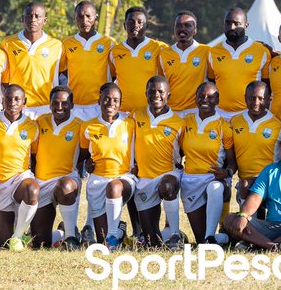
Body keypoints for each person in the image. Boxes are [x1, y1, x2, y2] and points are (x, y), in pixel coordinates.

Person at [0, 84, 41, 250]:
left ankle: (18, 236)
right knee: (4, 244)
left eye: (17, 99)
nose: (12, 102)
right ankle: (15, 234)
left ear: (24, 102)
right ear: (2, 101)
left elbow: (35, 155)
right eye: (8, 99)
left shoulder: (32, 126)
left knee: (32, 190)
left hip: (20, 178)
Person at [131, 76, 186, 248]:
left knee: (168, 186)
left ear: (168, 94)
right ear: (145, 93)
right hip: (144, 179)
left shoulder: (178, 122)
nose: (156, 95)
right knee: (151, 243)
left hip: (167, 174)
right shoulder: (135, 115)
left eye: (161, 91)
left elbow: (186, 150)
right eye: (152, 91)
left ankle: (175, 235)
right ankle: (165, 235)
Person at [180, 81, 236, 246]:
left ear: (217, 101)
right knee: (200, 239)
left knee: (215, 188)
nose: (206, 100)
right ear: (195, 99)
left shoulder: (223, 126)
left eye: (211, 97)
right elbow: (179, 151)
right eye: (202, 96)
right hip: (190, 180)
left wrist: (227, 173)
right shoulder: (186, 121)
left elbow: (232, 163)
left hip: (213, 179)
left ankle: (211, 235)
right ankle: (224, 238)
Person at [81, 82, 136, 248]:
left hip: (123, 178)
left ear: (120, 103)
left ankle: (113, 237)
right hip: (98, 181)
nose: (110, 103)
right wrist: (88, 164)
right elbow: (84, 155)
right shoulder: (87, 127)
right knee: (101, 237)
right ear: (99, 101)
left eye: (115, 100)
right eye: (106, 99)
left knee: (114, 187)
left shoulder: (130, 125)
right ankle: (118, 231)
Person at [31, 85, 85, 249]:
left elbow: (86, 154)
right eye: (55, 102)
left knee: (65, 186)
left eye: (64, 103)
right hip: (42, 182)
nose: (59, 107)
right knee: (39, 243)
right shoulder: (40, 122)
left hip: (66, 180)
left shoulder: (80, 126)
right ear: (49, 104)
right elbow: (33, 155)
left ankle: (70, 237)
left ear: (72, 105)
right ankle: (61, 232)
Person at [1, 3, 65, 119]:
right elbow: (4, 80)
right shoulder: (8, 43)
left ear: (44, 20)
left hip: (46, 107)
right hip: (18, 108)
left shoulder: (57, 45)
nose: (33, 19)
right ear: (22, 18)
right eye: (29, 16)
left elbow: (64, 76)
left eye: (37, 16)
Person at [207, 8, 272, 119]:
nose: (231, 27)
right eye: (228, 23)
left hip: (249, 114)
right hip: (220, 114)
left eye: (237, 24)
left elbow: (267, 86)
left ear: (246, 25)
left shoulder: (261, 51)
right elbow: (212, 81)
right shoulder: (213, 52)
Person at [232, 81, 281, 210]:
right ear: (245, 97)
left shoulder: (278, 125)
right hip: (245, 181)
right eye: (251, 98)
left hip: (270, 180)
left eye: (261, 98)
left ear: (269, 99)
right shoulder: (235, 121)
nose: (255, 102)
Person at [108, 7, 167, 115]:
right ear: (124, 25)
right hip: (122, 112)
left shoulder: (160, 48)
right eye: (131, 22)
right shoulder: (115, 51)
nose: (135, 25)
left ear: (147, 26)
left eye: (140, 22)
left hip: (149, 112)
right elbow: (112, 77)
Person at [61, 1, 114, 120]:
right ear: (75, 18)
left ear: (96, 17)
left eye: (88, 16)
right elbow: (63, 70)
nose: (84, 21)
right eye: (80, 16)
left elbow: (115, 73)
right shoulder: (66, 43)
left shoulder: (109, 43)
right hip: (74, 105)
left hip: (100, 105)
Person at [158, 11, 212, 115]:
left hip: (196, 112)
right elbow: (162, 84)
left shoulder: (207, 51)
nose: (182, 29)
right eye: (179, 25)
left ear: (195, 30)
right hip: (171, 112)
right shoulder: (164, 54)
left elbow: (213, 80)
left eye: (188, 25)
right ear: (174, 29)